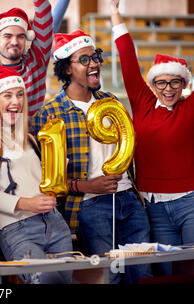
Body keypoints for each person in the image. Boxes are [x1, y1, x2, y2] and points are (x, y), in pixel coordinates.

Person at [31, 30, 152, 284]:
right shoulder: (50, 114)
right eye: (84, 60)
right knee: (109, 277)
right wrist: (86, 186)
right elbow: (45, 179)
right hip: (91, 207)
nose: (94, 63)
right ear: (66, 69)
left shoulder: (111, 102)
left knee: (141, 275)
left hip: (129, 202)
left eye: (95, 57)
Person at [110, 0, 194, 276]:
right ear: (153, 84)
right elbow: (128, 60)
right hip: (154, 206)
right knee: (168, 273)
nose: (168, 89)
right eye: (161, 83)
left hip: (190, 203)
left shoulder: (190, 107)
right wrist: (115, 13)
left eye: (175, 83)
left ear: (184, 85)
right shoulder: (143, 103)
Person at [0, 66, 73, 284]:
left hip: (55, 223)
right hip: (17, 229)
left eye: (20, 94)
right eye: (8, 95)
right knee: (47, 281)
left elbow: (47, 182)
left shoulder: (30, 139)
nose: (16, 101)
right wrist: (26, 203)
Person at [0, 0, 77, 119]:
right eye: (7, 36)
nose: (14, 42)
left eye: (21, 36)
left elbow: (44, 12)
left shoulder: (35, 64)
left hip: (27, 138)